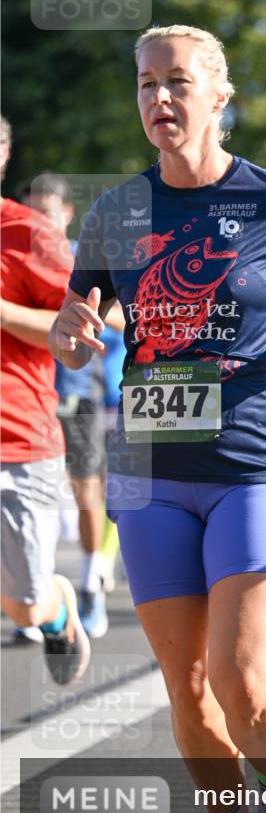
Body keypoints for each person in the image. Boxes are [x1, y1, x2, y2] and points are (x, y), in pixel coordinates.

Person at [49, 25, 266, 813]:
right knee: (184, 686)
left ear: (219, 94)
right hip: (149, 471)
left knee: (242, 681)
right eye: (145, 84)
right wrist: (75, 327)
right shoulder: (117, 210)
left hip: (247, 465)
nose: (158, 100)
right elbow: (84, 308)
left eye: (177, 81)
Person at [0, 114, 90, 682]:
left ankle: (56, 611)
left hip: (16, 440)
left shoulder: (29, 232)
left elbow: (79, 332)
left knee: (24, 603)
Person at [22, 172, 123, 637]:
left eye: (46, 213)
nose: (37, 221)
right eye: (31, 212)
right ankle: (34, 595)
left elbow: (124, 312)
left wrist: (88, 316)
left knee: (85, 491)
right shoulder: (15, 257)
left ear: (64, 215)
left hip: (79, 390)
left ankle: (88, 587)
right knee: (33, 497)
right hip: (28, 395)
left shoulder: (80, 255)